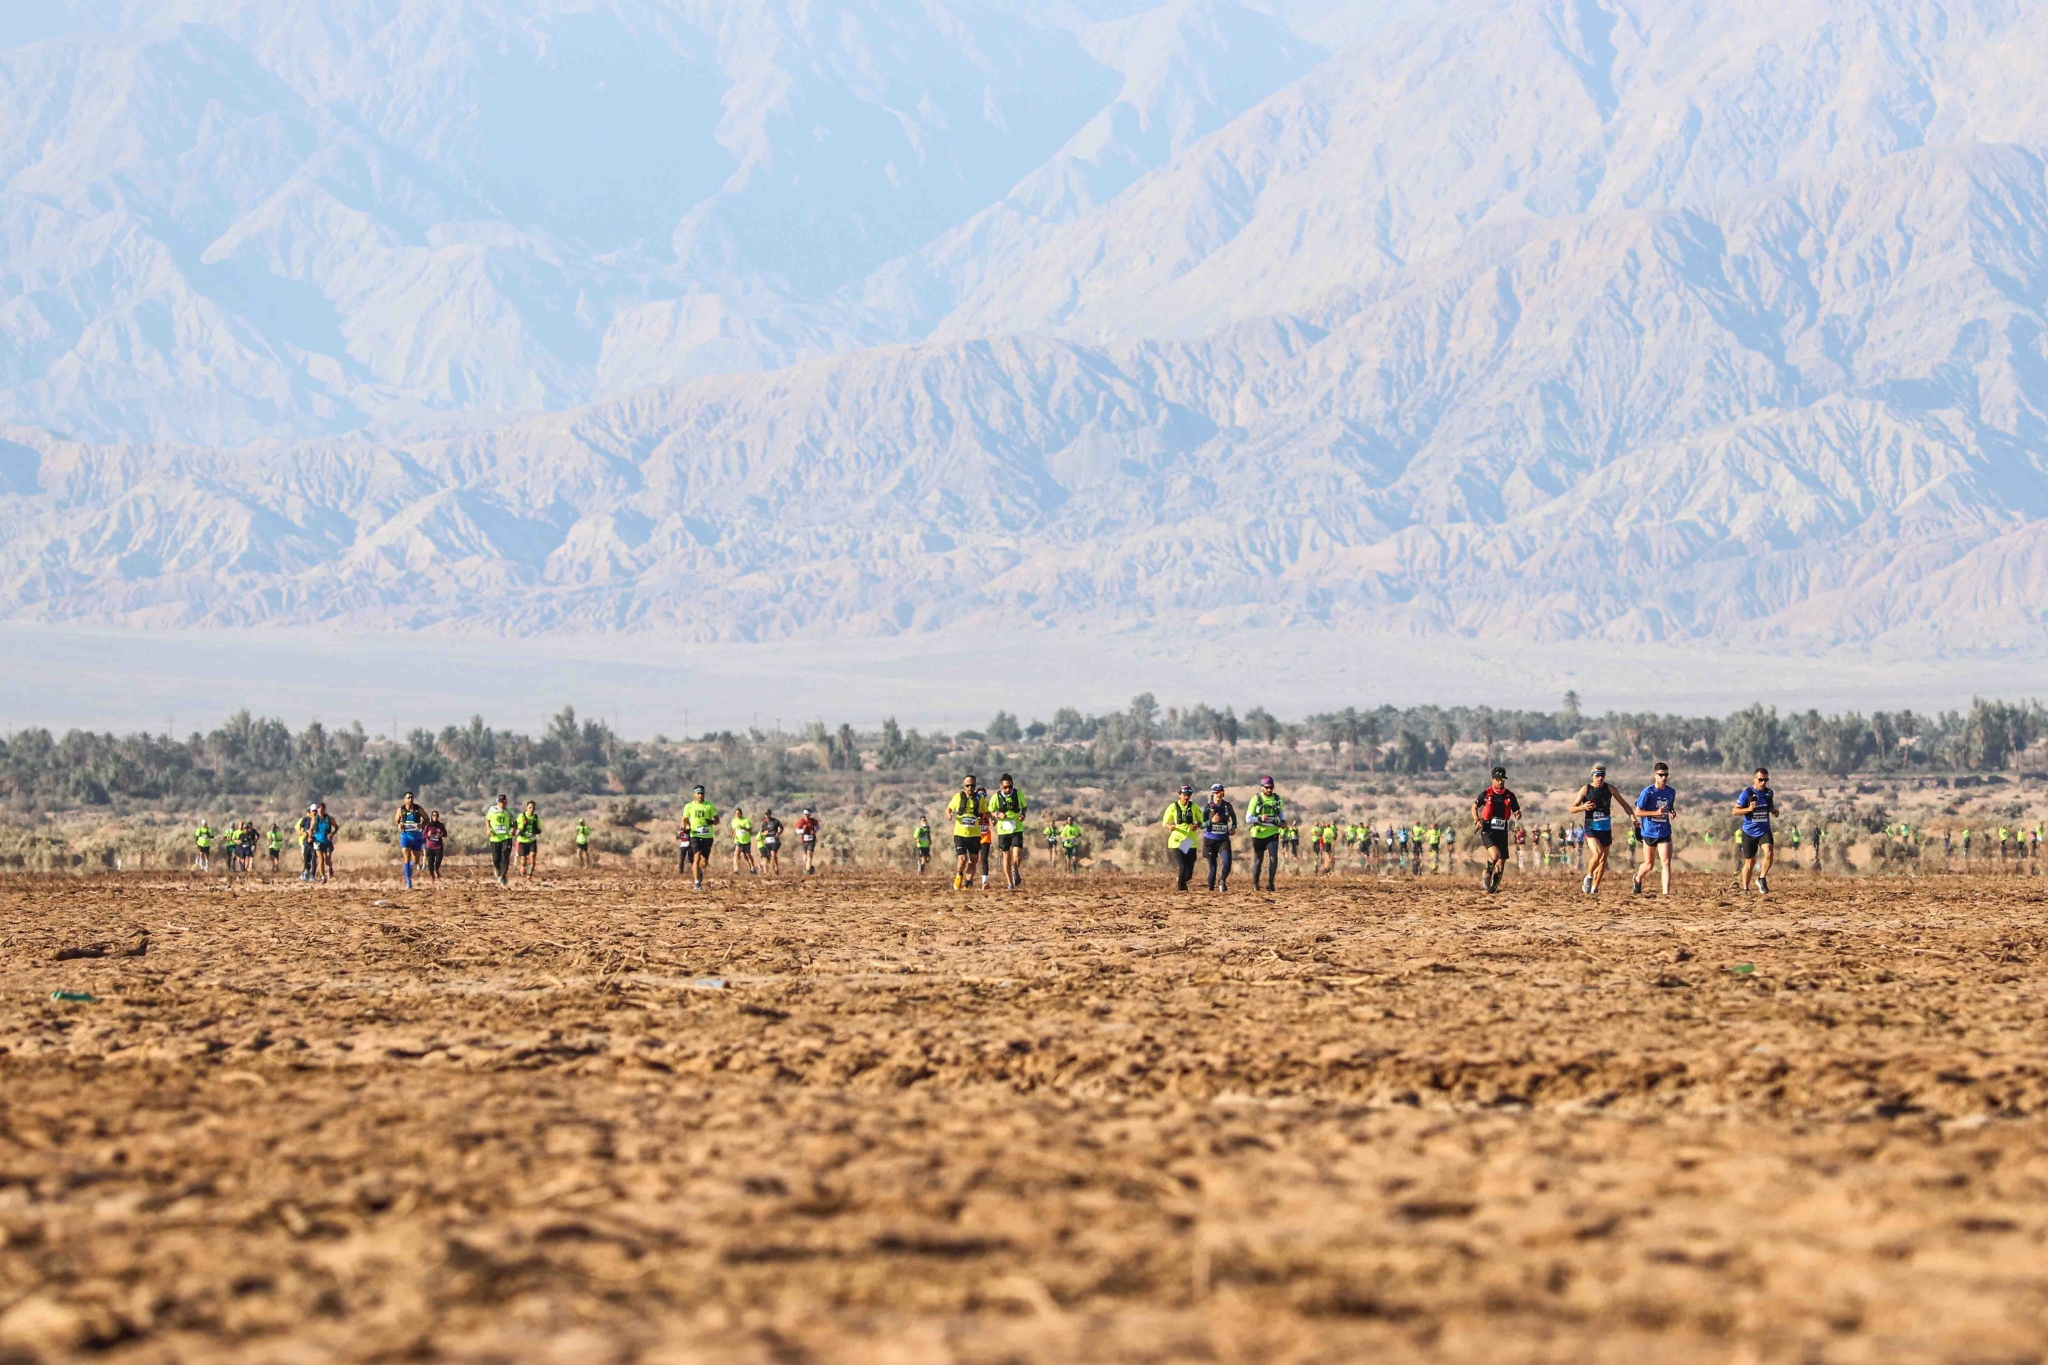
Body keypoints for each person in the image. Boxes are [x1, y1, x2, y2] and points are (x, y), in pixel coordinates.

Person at [1570, 763, 1636, 895]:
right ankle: (1588, 877)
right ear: (1592, 776)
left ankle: (1594, 889)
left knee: (1602, 862)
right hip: (1591, 828)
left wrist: (1633, 819)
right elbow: (1571, 809)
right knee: (1598, 853)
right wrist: (1583, 807)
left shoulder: (1610, 789)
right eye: (1597, 775)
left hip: (1605, 829)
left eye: (1602, 776)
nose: (1600, 778)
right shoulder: (1586, 790)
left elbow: (1625, 805)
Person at [1472, 766, 1520, 894]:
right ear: (1492, 780)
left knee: (1501, 863)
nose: (1500, 782)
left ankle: (1492, 889)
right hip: (1488, 830)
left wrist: (1518, 814)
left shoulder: (1510, 795)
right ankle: (1487, 872)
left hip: (1502, 832)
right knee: (1495, 855)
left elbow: (1516, 810)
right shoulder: (1485, 794)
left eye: (1502, 780)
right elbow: (1474, 806)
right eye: (1498, 779)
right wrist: (1476, 819)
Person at [1632, 762, 1678, 897]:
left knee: (1666, 863)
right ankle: (1637, 878)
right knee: (1649, 864)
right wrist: (1655, 813)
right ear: (1655, 775)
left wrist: (1672, 812)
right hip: (1649, 831)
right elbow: (1638, 812)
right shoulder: (1648, 792)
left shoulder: (1671, 792)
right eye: (1661, 775)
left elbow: (1670, 806)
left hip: (1664, 831)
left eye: (1666, 775)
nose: (1664, 778)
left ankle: (1666, 894)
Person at [1734, 767, 1777, 894]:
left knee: (1769, 851)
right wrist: (1748, 809)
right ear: (1754, 779)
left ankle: (1762, 878)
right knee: (1750, 861)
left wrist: (1774, 811)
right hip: (1749, 831)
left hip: (1764, 829)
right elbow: (1735, 810)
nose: (1763, 783)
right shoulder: (1747, 793)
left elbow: (1769, 807)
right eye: (1761, 780)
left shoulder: (1769, 793)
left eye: (1766, 780)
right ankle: (1745, 889)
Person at [946, 776, 989, 892]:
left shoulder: (980, 799)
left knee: (973, 860)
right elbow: (949, 808)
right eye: (967, 785)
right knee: (963, 859)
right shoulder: (958, 797)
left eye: (972, 786)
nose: (970, 788)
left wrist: (992, 818)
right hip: (960, 834)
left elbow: (986, 812)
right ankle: (959, 874)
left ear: (975, 786)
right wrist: (949, 815)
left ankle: (967, 885)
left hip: (974, 834)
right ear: (964, 786)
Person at [990, 774, 1030, 890]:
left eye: (1010, 787)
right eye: (1005, 787)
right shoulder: (996, 797)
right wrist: (997, 815)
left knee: (1017, 856)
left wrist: (1023, 814)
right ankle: (1010, 883)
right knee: (1006, 856)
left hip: (1017, 829)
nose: (1008, 789)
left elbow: (1024, 806)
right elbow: (990, 812)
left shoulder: (1018, 794)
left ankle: (1015, 868)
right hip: (1003, 831)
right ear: (1001, 786)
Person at [1247, 777, 1284, 891]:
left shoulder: (1277, 799)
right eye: (1267, 788)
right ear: (1262, 787)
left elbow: (1281, 813)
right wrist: (1259, 818)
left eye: (1271, 788)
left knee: (1273, 858)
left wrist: (1282, 822)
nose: (1269, 790)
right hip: (1258, 834)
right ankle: (1255, 883)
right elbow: (1248, 818)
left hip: (1272, 833)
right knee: (1258, 859)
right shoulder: (1255, 799)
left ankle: (1270, 883)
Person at [1163, 785, 1201, 891]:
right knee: (1182, 866)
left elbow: (1200, 820)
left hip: (1189, 840)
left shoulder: (1194, 806)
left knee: (1189, 869)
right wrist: (1170, 826)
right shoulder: (1173, 807)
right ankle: (1181, 890)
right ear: (1180, 795)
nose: (1187, 797)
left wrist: (1197, 825)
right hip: (1177, 840)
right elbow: (1164, 823)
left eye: (1189, 795)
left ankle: (1182, 881)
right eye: (1185, 795)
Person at [679, 786, 717, 890]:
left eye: (702, 794)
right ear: (694, 794)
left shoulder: (709, 806)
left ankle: (699, 871)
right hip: (695, 835)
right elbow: (684, 819)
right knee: (696, 857)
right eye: (698, 793)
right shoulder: (689, 806)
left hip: (707, 836)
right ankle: (697, 882)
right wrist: (685, 826)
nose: (700, 795)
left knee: (704, 863)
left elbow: (717, 820)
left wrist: (712, 822)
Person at [1201, 783, 1237, 892]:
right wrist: (1211, 822)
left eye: (1221, 792)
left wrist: (1233, 827)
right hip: (1210, 840)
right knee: (1213, 867)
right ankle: (1211, 889)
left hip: (1223, 840)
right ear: (1212, 794)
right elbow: (1201, 824)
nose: (1219, 795)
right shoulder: (1207, 807)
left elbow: (1234, 818)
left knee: (1227, 862)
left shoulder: (1227, 806)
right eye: (1217, 793)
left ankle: (1222, 880)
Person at [395, 790, 428, 890]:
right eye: (408, 798)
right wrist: (399, 825)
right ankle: (409, 883)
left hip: (417, 836)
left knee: (416, 860)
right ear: (405, 799)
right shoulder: (401, 810)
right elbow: (396, 820)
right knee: (406, 857)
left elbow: (427, 819)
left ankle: (411, 866)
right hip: (406, 836)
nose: (410, 799)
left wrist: (421, 825)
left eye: (412, 797)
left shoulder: (418, 809)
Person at [485, 795, 515, 885]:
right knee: (496, 859)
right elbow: (487, 819)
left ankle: (503, 876)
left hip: (506, 837)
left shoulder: (509, 812)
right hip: (495, 838)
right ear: (497, 802)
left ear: (506, 802)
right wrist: (488, 829)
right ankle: (498, 870)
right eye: (500, 802)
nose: (502, 804)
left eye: (504, 802)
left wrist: (513, 829)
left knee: (505, 857)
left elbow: (514, 823)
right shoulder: (492, 810)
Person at [311, 801, 338, 882]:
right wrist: (309, 836)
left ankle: (330, 867)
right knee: (321, 859)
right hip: (318, 842)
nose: (320, 810)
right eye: (319, 808)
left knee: (327, 860)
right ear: (318, 809)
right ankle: (323, 876)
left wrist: (332, 834)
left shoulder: (329, 818)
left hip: (327, 842)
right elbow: (310, 829)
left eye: (322, 808)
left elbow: (336, 827)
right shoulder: (314, 819)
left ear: (325, 809)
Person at [515, 800, 543, 879]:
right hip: (522, 840)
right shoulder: (522, 816)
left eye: (533, 808)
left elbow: (539, 830)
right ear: (527, 808)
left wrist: (535, 830)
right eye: (530, 807)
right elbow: (518, 828)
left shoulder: (536, 818)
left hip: (532, 841)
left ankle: (529, 874)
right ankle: (523, 866)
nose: (531, 809)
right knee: (523, 859)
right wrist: (523, 826)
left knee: (532, 857)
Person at [423, 808, 447, 883]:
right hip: (430, 847)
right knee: (430, 862)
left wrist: (441, 835)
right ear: (431, 817)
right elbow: (423, 835)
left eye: (436, 816)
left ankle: (436, 869)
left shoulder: (441, 825)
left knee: (438, 861)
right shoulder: (428, 825)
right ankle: (431, 875)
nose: (435, 817)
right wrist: (428, 835)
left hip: (438, 846)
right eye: (433, 815)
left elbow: (445, 834)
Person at [730, 806, 756, 874]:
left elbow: (750, 830)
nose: (737, 815)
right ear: (734, 814)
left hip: (746, 841)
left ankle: (752, 867)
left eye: (739, 813)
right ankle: (736, 869)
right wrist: (733, 834)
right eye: (736, 813)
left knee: (747, 855)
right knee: (736, 854)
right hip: (738, 841)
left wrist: (743, 828)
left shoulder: (746, 820)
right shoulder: (734, 821)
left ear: (741, 814)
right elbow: (734, 829)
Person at [295, 804, 318, 881]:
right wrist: (303, 833)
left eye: (315, 811)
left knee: (314, 859)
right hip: (306, 843)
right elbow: (298, 828)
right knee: (306, 860)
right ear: (310, 812)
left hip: (315, 843)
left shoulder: (319, 820)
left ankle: (312, 876)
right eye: (313, 811)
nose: (314, 812)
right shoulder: (305, 820)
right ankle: (306, 872)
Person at [796, 808, 821, 875]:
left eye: (808, 815)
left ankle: (807, 871)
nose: (807, 816)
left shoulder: (813, 821)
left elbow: (818, 827)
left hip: (811, 840)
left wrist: (815, 830)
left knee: (809, 855)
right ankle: (810, 868)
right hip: (804, 841)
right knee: (805, 858)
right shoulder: (801, 821)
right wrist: (803, 830)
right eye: (806, 814)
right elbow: (797, 830)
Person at [759, 809, 784, 874]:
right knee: (772, 856)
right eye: (766, 814)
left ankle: (771, 868)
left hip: (775, 840)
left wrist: (778, 833)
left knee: (773, 853)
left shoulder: (775, 821)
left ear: (770, 814)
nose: (767, 816)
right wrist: (764, 833)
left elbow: (781, 828)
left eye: (768, 814)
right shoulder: (763, 823)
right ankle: (776, 868)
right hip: (767, 841)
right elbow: (761, 832)